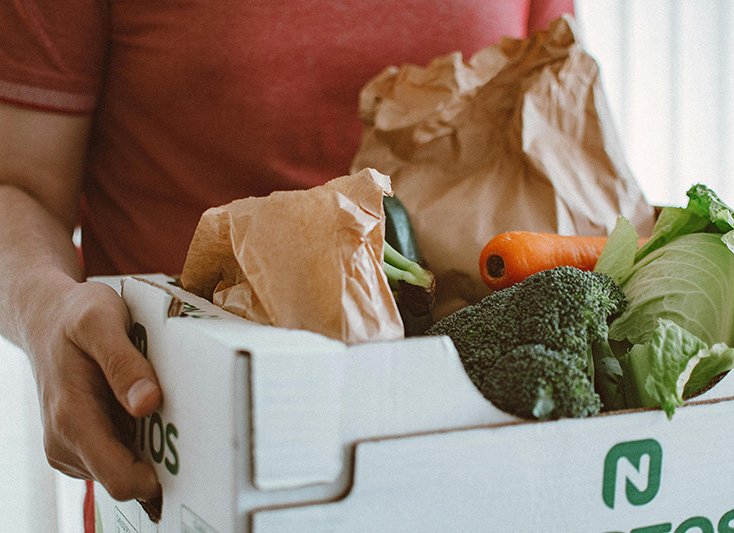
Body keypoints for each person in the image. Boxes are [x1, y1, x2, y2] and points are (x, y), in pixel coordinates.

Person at [0, 0, 573, 528]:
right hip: (187, 452)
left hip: (467, 465)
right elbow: (16, 185)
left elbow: (558, 126)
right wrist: (45, 311)